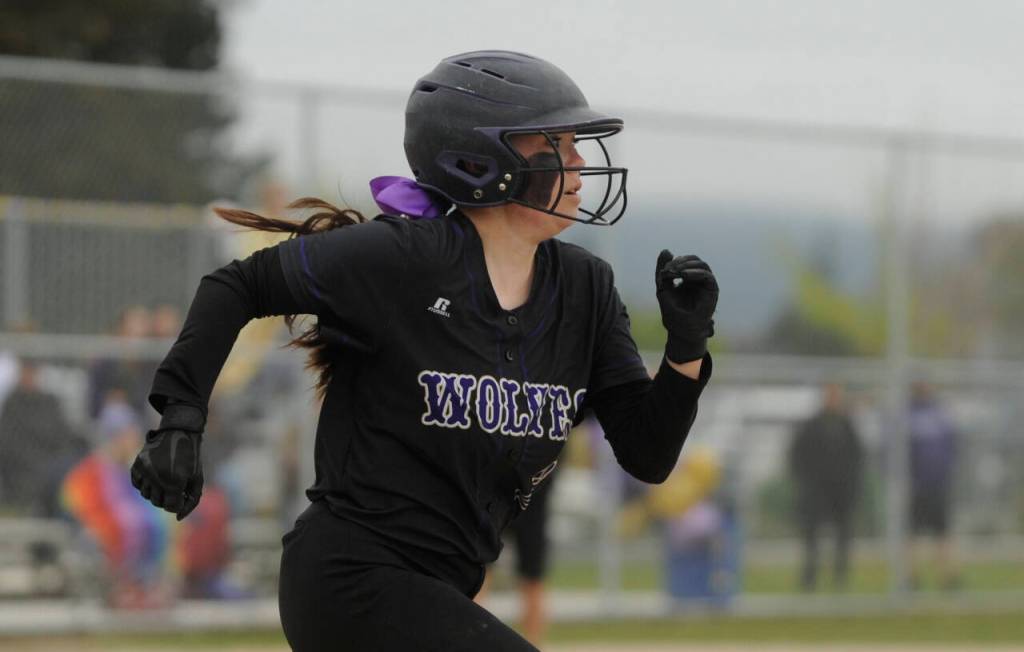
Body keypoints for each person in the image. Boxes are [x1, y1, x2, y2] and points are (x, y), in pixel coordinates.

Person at [129, 50, 718, 651]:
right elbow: (239, 285)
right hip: (350, 579)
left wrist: (686, 348)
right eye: (557, 147)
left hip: (441, 591)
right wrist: (180, 418)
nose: (579, 164)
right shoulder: (407, 258)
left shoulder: (585, 289)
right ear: (481, 161)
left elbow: (648, 454)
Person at [788, 383, 864, 591]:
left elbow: (857, 457)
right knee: (811, 537)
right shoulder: (811, 425)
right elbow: (797, 455)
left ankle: (840, 579)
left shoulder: (847, 425)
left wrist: (853, 485)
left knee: (843, 536)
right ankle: (809, 579)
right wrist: (804, 482)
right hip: (815, 491)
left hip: (841, 492)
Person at [907, 382, 960, 590]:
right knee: (913, 533)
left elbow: (952, 445)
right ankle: (912, 578)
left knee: (943, 533)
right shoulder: (908, 414)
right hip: (916, 485)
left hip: (938, 484)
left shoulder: (939, 414)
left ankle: (947, 578)